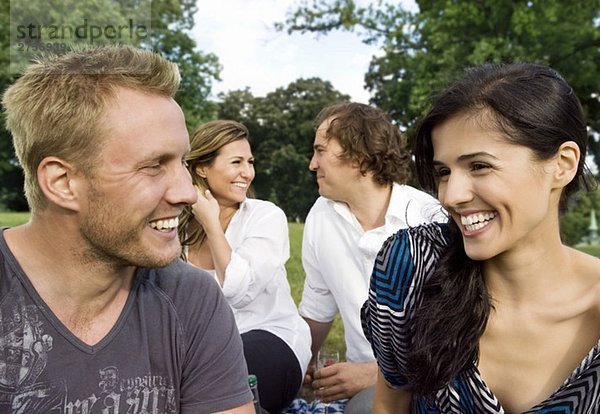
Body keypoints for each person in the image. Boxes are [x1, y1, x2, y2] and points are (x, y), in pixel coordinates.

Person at [0, 45, 254, 413]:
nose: (187, 193)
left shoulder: (192, 300)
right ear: (63, 182)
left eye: (181, 162)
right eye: (153, 166)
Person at [361, 62, 600, 413]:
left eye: (479, 166)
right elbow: (390, 404)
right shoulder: (412, 267)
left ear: (562, 164)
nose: (450, 196)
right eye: (444, 171)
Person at [299, 102, 443, 412]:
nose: (313, 164)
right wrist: (298, 363)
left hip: (436, 384)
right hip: (364, 391)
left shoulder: (430, 220)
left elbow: (462, 337)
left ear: (359, 157)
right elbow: (317, 306)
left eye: (321, 150)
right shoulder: (320, 217)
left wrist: (376, 374)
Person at [178, 120, 312, 414]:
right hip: (203, 351)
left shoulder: (265, 217)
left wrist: (211, 223)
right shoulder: (177, 229)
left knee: (227, 379)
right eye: (236, 162)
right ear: (202, 168)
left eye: (250, 162)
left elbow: (239, 291)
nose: (247, 173)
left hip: (269, 336)